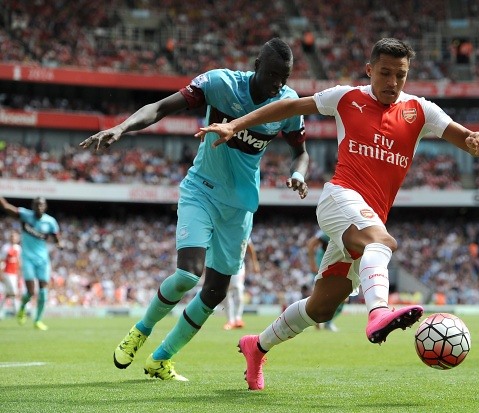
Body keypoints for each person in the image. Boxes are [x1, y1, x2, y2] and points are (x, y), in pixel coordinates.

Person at [197, 37, 479, 390]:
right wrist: (236, 124)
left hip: (368, 216)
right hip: (340, 198)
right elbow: (288, 108)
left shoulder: (420, 111)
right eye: (385, 73)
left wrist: (474, 140)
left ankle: (256, 347)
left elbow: (461, 135)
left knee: (321, 308)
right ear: (370, 70)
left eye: (401, 75)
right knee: (381, 242)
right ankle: (378, 311)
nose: (393, 83)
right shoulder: (345, 97)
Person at [79, 38, 309, 381]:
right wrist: (121, 127)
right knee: (188, 273)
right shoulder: (220, 84)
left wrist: (298, 174)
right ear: (257, 63)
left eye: (284, 77)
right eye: (273, 74)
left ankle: (160, 359)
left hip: (240, 207)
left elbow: (300, 152)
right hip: (201, 190)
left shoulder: (287, 104)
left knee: (215, 292)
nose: (278, 83)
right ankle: (141, 330)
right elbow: (161, 107)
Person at [0, 197, 62, 330]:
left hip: (43, 260)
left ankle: (38, 320)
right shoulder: (25, 215)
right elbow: (6, 207)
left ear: (45, 207)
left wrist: (59, 243)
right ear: (32, 206)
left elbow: (56, 236)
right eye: (36, 205)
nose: (39, 207)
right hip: (27, 259)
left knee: (43, 292)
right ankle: (22, 307)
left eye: (41, 205)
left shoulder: (50, 221)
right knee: (30, 291)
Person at [306, 229, 343, 332]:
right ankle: (317, 319)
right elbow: (311, 243)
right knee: (322, 294)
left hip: (338, 263)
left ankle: (325, 322)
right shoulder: (330, 229)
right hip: (323, 264)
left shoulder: (349, 228)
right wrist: (312, 264)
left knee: (344, 298)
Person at [223, 239, 259, 330]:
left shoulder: (241, 227)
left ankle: (238, 318)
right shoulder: (222, 228)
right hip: (223, 265)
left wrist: (254, 262)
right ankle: (230, 320)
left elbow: (250, 246)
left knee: (238, 289)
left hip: (238, 265)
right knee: (226, 293)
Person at [0, 230, 22, 320]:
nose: (13, 238)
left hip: (15, 273)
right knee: (14, 291)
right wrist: (1, 273)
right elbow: (2, 261)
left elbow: (19, 262)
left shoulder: (18, 248)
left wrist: (19, 274)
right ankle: (17, 311)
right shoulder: (6, 248)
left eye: (15, 237)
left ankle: (1, 311)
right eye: (12, 236)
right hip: (7, 273)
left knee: (7, 294)